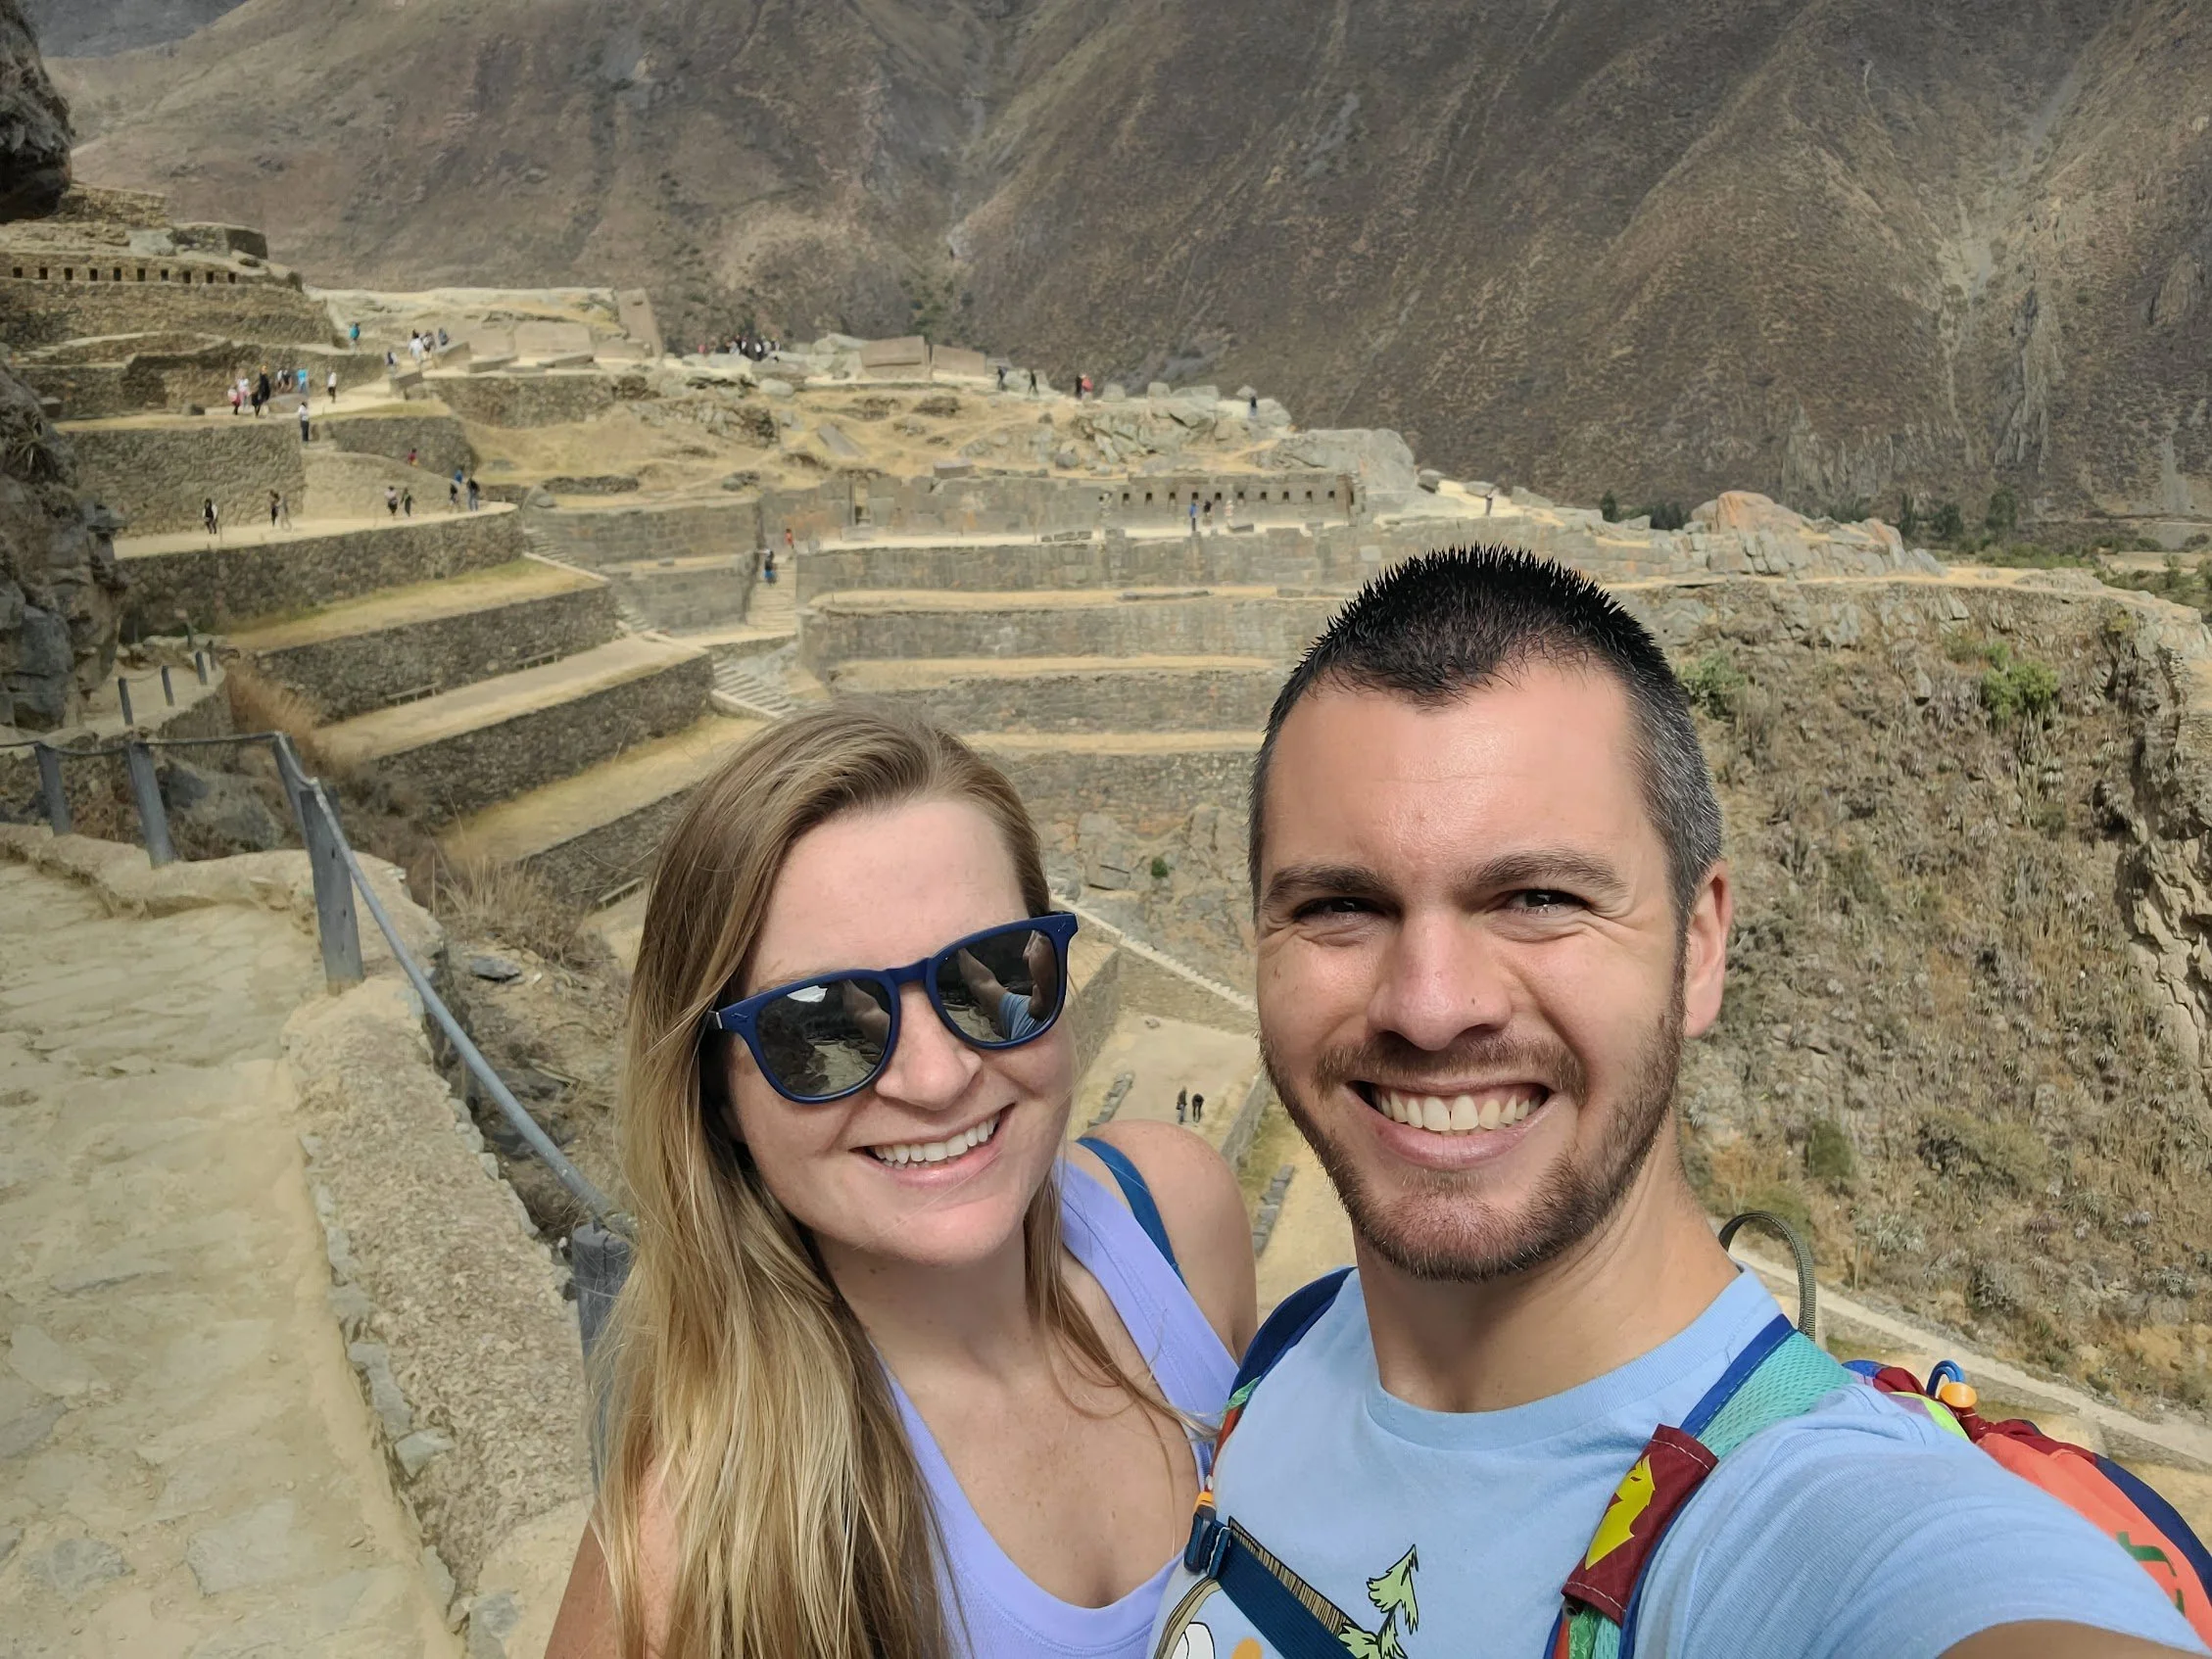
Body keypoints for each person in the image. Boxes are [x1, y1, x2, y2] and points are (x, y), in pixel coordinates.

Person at [1148, 549, 2208, 1659]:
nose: (1428, 1004)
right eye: (1337, 904)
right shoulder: (1292, 1346)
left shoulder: (1798, 1525)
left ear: (1698, 946)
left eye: (1537, 897)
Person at [545, 704, 1256, 1659]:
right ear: (715, 1091)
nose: (936, 1077)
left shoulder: (1177, 1213)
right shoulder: (699, 1548)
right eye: (822, 1027)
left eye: (992, 975)